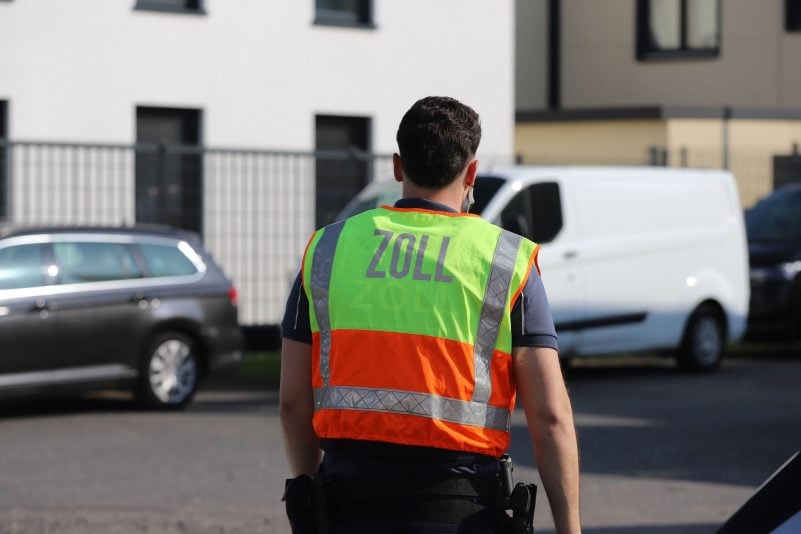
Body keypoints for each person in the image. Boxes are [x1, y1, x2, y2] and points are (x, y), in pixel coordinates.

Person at [280, 96, 581, 534]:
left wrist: (310, 492)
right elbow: (551, 417)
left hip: (347, 503)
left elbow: (292, 403)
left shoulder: (328, 249)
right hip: (461, 508)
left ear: (398, 166)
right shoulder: (505, 260)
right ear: (471, 173)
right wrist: (570, 528)